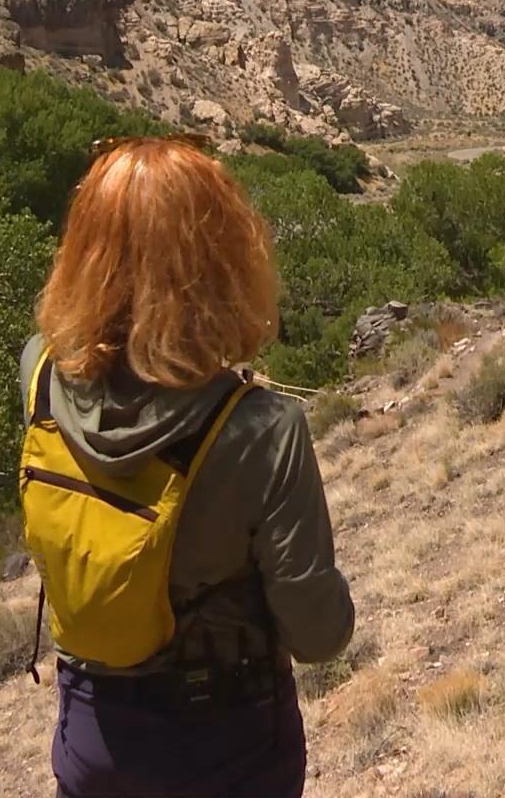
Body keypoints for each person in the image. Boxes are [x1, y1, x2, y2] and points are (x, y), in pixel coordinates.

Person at [22, 134, 354, 798]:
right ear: (223, 258)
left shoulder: (39, 373)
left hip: (92, 733)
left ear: (84, 250)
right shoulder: (261, 429)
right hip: (225, 748)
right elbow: (319, 635)